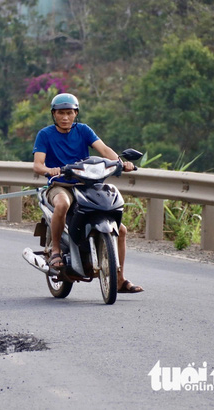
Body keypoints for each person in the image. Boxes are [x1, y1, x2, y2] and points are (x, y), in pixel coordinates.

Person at [32, 93, 143, 293]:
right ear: (53, 115)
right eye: (60, 113)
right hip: (60, 185)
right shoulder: (45, 135)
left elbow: (104, 149)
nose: (65, 117)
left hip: (86, 185)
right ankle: (56, 249)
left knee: (122, 231)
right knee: (62, 204)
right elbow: (38, 165)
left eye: (69, 113)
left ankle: (119, 279)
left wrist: (120, 163)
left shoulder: (83, 130)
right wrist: (50, 170)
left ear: (76, 113)